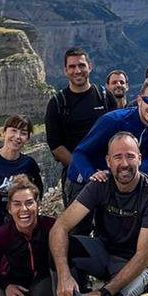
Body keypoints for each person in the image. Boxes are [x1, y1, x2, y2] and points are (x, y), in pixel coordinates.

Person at [50, 132, 148, 296]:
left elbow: (143, 256)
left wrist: (103, 294)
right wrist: (64, 275)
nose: (124, 163)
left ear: (139, 158)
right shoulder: (100, 184)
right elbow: (60, 227)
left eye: (130, 156)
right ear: (108, 161)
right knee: (61, 248)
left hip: (138, 264)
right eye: (118, 157)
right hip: (105, 253)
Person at [66, 76, 148, 184]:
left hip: (123, 174)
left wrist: (134, 173)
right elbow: (79, 152)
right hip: (89, 175)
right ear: (139, 100)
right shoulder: (114, 121)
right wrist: (91, 174)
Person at [45, 47, 109, 195]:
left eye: (81, 65)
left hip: (106, 169)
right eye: (72, 67)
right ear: (65, 70)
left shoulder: (105, 97)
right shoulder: (57, 103)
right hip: (75, 173)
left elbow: (117, 134)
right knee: (79, 218)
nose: (77, 71)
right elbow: (55, 145)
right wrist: (86, 171)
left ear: (90, 67)